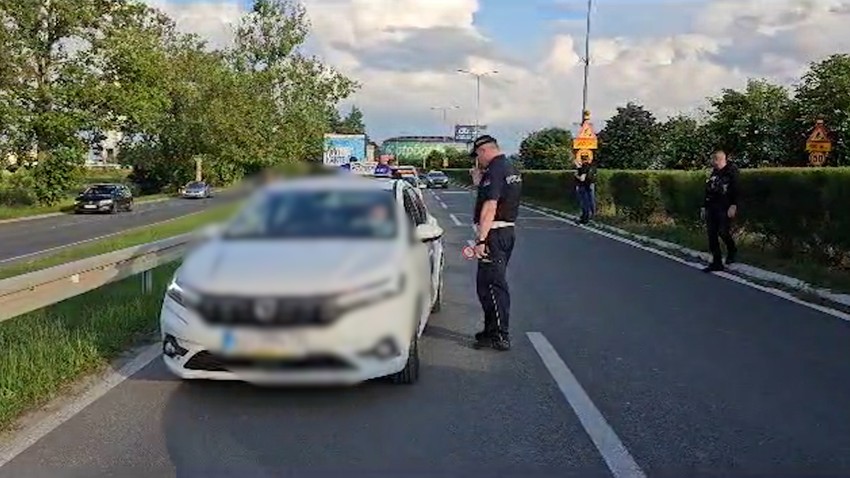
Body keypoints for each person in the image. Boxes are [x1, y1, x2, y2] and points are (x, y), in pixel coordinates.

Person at [469, 135, 522, 351]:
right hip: (504, 232)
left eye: (477, 156)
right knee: (485, 285)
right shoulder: (510, 168)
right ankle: (490, 331)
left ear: (484, 151)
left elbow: (490, 206)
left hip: (495, 234)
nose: (478, 161)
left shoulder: (495, 170)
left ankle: (501, 334)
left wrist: (481, 239)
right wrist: (478, 183)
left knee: (493, 285)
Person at [702, 149, 738, 272]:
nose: (712, 162)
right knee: (711, 235)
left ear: (719, 159)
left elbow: (736, 189)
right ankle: (716, 262)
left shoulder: (731, 171)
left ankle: (732, 250)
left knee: (723, 232)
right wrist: (704, 206)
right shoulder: (714, 172)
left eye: (713, 159)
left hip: (725, 206)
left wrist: (734, 205)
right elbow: (708, 189)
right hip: (712, 206)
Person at [574, 155, 596, 224]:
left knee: (584, 203)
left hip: (583, 187)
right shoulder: (592, 167)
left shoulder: (584, 167)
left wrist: (576, 175)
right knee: (591, 201)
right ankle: (592, 216)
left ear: (582, 160)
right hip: (591, 185)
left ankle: (585, 218)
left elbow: (582, 179)